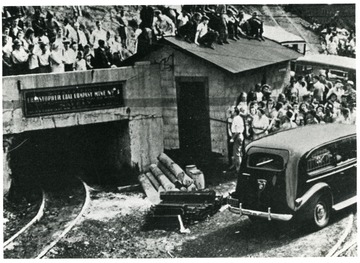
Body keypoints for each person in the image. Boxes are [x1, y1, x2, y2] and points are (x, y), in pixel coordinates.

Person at [230, 107, 245, 173]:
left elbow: (238, 131)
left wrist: (232, 138)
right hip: (238, 136)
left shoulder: (236, 118)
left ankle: (239, 169)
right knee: (237, 153)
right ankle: (237, 167)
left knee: (237, 154)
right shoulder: (238, 118)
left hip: (237, 136)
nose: (231, 113)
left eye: (232, 111)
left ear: (235, 112)